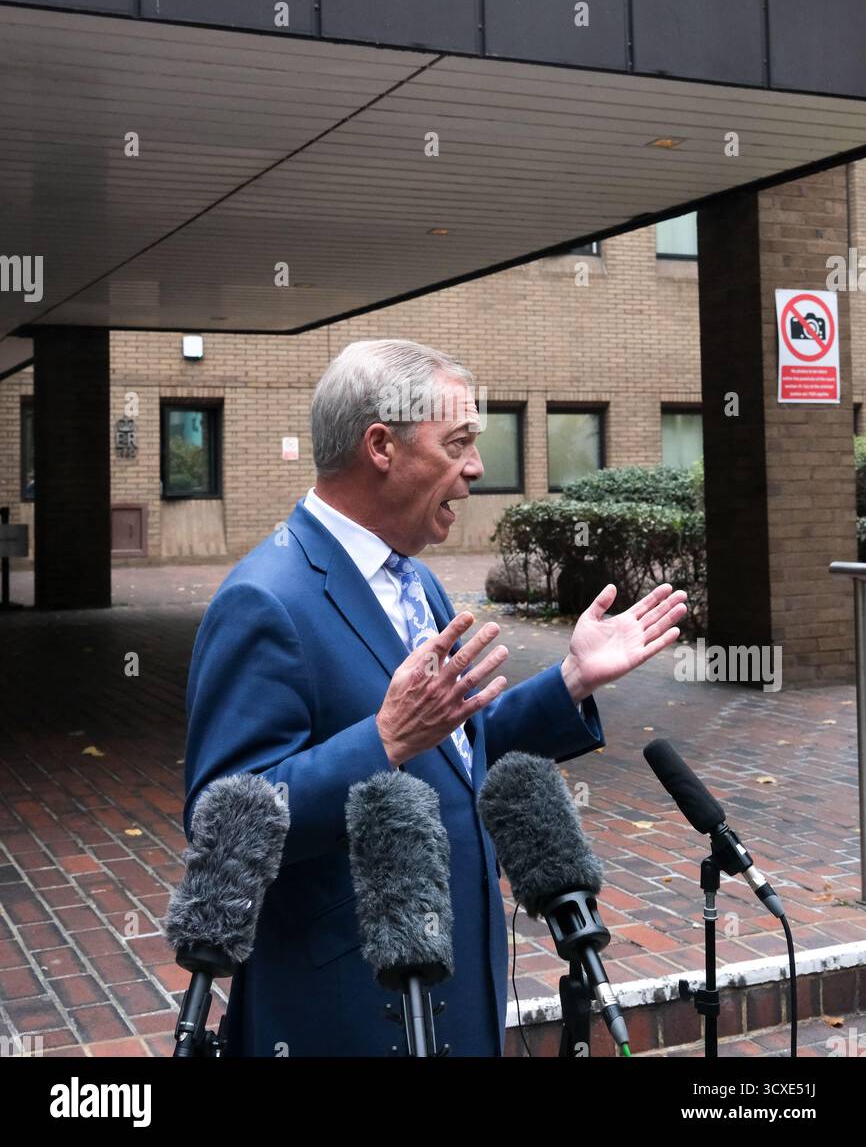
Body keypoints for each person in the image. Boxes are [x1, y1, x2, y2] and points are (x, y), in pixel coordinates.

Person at [183, 338, 687, 1056]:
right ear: (381, 446)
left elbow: (454, 748)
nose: (477, 467)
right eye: (458, 443)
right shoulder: (264, 600)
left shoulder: (414, 579)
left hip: (454, 986)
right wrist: (381, 740)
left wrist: (573, 680)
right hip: (351, 1010)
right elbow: (219, 823)